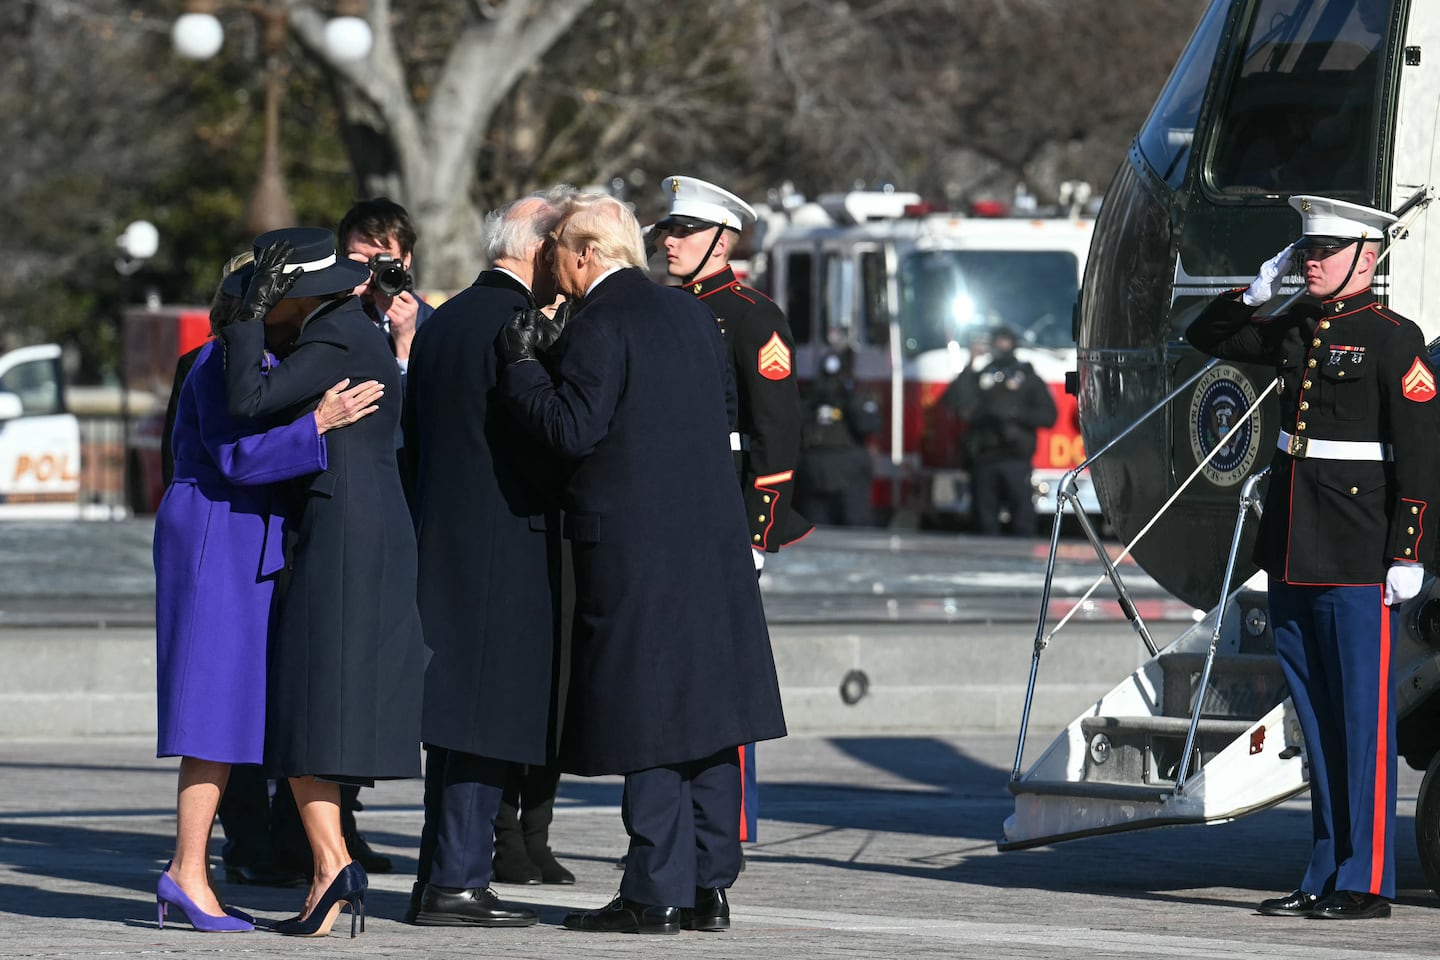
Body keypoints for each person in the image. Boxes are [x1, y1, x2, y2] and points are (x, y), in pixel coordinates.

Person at [498, 193, 787, 934]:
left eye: (560, 246)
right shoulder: (688, 311)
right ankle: (708, 884)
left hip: (636, 548)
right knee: (710, 715)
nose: (551, 260)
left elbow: (571, 427)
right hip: (709, 542)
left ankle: (653, 889)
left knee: (651, 714)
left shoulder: (602, 318)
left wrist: (525, 368)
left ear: (589, 253)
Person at [1186, 195, 1440, 920]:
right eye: (1305, 251)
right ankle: (1325, 869)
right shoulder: (1298, 323)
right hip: (1296, 550)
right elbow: (1207, 334)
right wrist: (1256, 289)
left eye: (1325, 251)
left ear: (1368, 257)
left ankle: (1367, 883)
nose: (1312, 261)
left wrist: (1408, 552)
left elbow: (1421, 455)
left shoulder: (1395, 339)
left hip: (1362, 556)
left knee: (1364, 723)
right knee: (1317, 720)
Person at [153, 254, 382, 932]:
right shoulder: (219, 359)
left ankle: (232, 869)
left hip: (238, 534)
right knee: (210, 712)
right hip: (214, 535)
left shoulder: (246, 358)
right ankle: (187, 872)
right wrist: (317, 424)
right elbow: (232, 457)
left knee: (231, 713)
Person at [220, 227, 427, 937]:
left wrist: (247, 321)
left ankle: (331, 865)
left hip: (344, 531)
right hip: (351, 526)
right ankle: (330, 866)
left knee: (309, 702)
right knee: (312, 703)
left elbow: (247, 399)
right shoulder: (347, 327)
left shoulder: (335, 333)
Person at [400, 188, 573, 927]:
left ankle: (442, 873)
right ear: (535, 248)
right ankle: (458, 882)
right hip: (504, 540)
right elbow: (539, 437)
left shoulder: (444, 320)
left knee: (455, 722)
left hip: (448, 537)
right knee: (481, 719)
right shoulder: (512, 323)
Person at [653, 174, 813, 853]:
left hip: (724, 514)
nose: (669, 239)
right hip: (667, 513)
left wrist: (754, 531)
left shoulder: (752, 316)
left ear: (722, 241)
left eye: (684, 230)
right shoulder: (663, 309)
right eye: (668, 228)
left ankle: (725, 832)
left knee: (722, 683)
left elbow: (776, 439)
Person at [940, 326, 1057, 535]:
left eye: (1006, 341)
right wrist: (970, 364)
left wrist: (1014, 414)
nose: (1002, 346)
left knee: (1023, 520)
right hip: (984, 458)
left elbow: (1049, 416)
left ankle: (1023, 563)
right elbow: (952, 400)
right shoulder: (982, 376)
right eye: (998, 342)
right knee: (984, 522)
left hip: (1015, 457)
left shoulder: (1027, 378)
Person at [339, 197, 436, 382]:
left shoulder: (432, 323)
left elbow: (431, 402)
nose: (371, 270)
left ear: (406, 259)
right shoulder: (327, 316)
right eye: (359, 260)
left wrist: (406, 341)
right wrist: (342, 308)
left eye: (381, 260)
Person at [795, 349, 880, 526]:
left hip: (813, 471)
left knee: (815, 529)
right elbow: (868, 425)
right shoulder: (851, 398)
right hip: (846, 471)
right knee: (855, 526)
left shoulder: (808, 397)